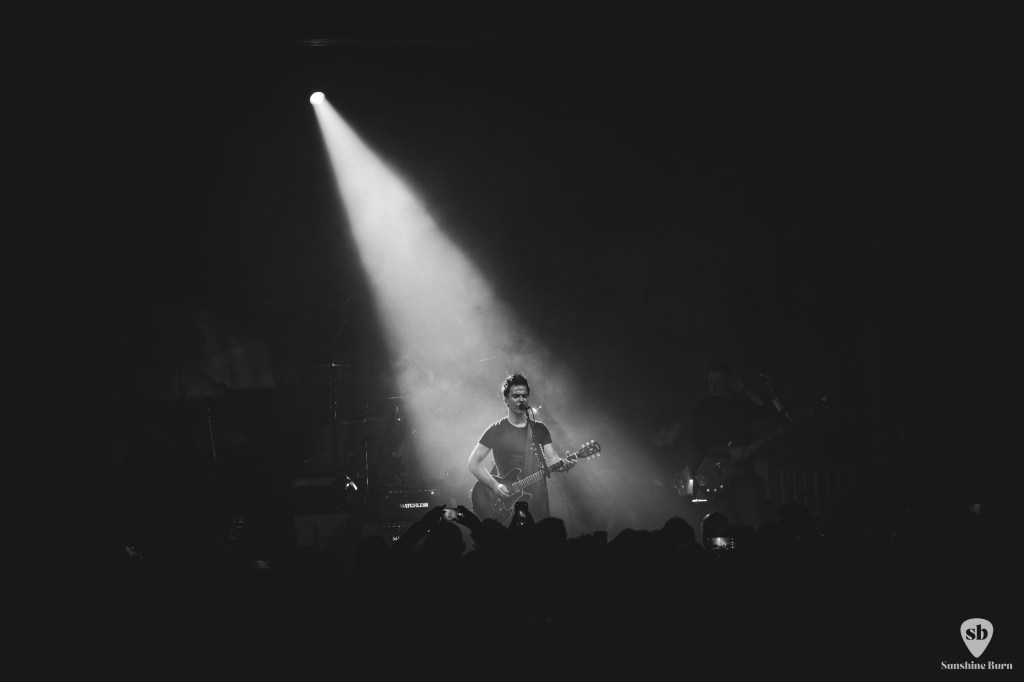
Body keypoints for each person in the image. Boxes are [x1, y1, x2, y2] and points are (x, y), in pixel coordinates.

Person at [467, 372, 574, 522]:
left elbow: (551, 460)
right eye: (516, 396)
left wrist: (564, 464)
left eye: (524, 396)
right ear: (506, 400)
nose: (521, 399)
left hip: (537, 503)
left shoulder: (539, 429)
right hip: (509, 505)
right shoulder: (496, 430)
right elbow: (473, 463)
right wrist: (495, 486)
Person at [690, 361, 778, 529]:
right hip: (715, 474)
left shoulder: (741, 402)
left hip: (742, 472)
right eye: (710, 381)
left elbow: (767, 410)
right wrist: (729, 451)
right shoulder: (702, 409)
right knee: (723, 524)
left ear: (728, 381)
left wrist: (744, 389)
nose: (713, 386)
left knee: (753, 518)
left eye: (718, 381)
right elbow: (698, 442)